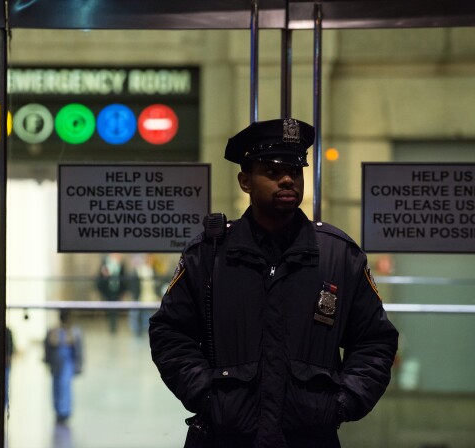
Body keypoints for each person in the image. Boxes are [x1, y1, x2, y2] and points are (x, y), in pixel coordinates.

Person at [148, 118, 398, 448]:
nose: (286, 179)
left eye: (295, 171)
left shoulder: (338, 255)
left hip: (309, 437)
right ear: (245, 181)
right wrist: (205, 396)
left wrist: (342, 403)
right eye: (271, 170)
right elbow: (170, 333)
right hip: (225, 436)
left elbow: (374, 341)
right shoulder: (209, 255)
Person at [44, 309, 84, 424]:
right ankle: (58, 410)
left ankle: (65, 412)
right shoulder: (53, 331)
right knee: (56, 387)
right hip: (56, 363)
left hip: (68, 363)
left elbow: (79, 350)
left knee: (65, 386)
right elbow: (48, 348)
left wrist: (78, 365)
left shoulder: (74, 332)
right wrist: (48, 362)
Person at [96, 253, 127, 333]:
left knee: (114, 309)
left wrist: (123, 292)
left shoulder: (120, 264)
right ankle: (111, 326)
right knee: (110, 309)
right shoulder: (104, 264)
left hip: (117, 290)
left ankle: (114, 327)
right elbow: (99, 279)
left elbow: (124, 278)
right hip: (108, 290)